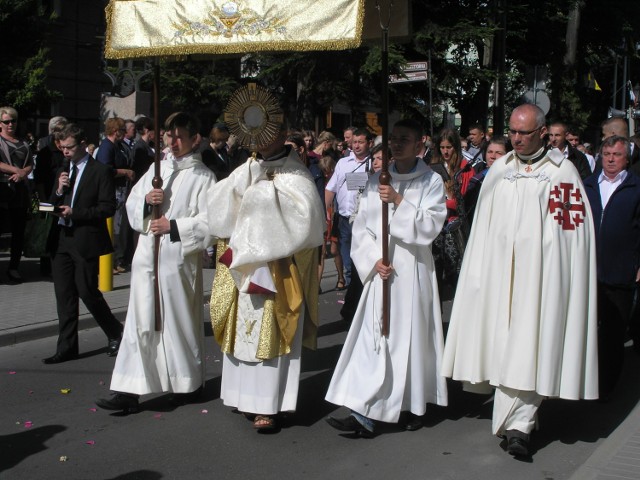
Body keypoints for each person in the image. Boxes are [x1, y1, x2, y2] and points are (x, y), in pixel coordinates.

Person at [441, 103, 598, 458]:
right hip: (499, 277)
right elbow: (483, 226)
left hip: (538, 280)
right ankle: (517, 422)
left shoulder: (562, 173)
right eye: (511, 132)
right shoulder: (500, 171)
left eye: (522, 133)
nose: (515, 139)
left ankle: (519, 428)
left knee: (530, 345)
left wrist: (552, 269)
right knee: (504, 346)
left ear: (542, 132)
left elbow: (571, 234)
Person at [325, 119, 447, 437]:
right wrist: (372, 260)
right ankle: (363, 407)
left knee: (408, 343)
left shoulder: (430, 181)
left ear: (420, 144)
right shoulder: (374, 179)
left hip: (412, 273)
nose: (396, 144)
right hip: (380, 274)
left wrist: (397, 201)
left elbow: (431, 226)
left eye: (404, 139)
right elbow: (362, 225)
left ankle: (408, 403)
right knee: (373, 340)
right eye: (393, 138)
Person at [207, 120, 325, 432]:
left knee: (269, 333)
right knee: (241, 332)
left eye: (267, 132)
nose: (259, 139)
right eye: (254, 132)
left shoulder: (296, 173)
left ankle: (267, 406)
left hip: (275, 267)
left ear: (284, 134)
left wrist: (262, 194)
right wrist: (241, 185)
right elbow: (220, 206)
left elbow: (308, 219)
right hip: (243, 264)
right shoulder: (247, 166)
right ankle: (243, 396)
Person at [95, 112, 216, 413]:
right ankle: (128, 389)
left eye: (179, 136)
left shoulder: (204, 177)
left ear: (194, 139)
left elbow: (212, 222)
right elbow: (132, 204)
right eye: (169, 135)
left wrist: (174, 227)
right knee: (139, 323)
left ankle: (186, 382)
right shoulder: (155, 169)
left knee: (178, 325)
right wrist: (148, 201)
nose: (173, 142)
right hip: (148, 257)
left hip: (177, 262)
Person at [42, 123, 123, 364]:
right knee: (64, 295)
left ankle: (115, 332)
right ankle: (66, 347)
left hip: (85, 239)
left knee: (87, 291)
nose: (65, 152)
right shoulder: (62, 170)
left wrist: (75, 213)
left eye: (69, 147)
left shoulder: (100, 171)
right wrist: (58, 191)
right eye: (62, 147)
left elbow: (107, 207)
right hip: (61, 240)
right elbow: (48, 204)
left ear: (82, 145)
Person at [584, 135, 640, 399]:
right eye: (606, 154)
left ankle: (605, 387)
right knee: (585, 330)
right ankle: (584, 379)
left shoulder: (636, 187)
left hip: (620, 272)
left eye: (616, 155)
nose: (610, 159)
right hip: (588, 272)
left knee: (612, 332)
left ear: (626, 158)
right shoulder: (588, 185)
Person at [430, 128, 475, 299]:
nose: (446, 151)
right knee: (435, 272)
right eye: (442, 147)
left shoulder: (465, 169)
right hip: (435, 226)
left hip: (454, 227)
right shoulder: (433, 166)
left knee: (455, 273)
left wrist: (443, 201)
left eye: (449, 147)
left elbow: (460, 202)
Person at [325, 128, 371, 289]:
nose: (357, 146)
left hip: (365, 220)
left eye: (361, 142)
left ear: (369, 143)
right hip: (344, 218)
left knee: (363, 257)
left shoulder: (374, 163)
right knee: (347, 257)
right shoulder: (343, 163)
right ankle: (352, 287)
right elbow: (331, 188)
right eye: (354, 142)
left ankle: (362, 287)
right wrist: (324, 211)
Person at [96, 117, 135, 274]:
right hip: (112, 190)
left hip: (121, 190)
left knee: (119, 226)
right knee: (113, 226)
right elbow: (105, 170)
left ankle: (116, 259)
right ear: (114, 131)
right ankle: (108, 263)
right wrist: (124, 172)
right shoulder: (106, 147)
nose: (123, 133)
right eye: (121, 130)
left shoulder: (118, 146)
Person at [0, 106, 33, 284]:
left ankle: (14, 267)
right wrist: (14, 169)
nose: (10, 124)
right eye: (6, 121)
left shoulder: (23, 143)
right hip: (2, 191)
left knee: (18, 232)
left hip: (19, 192)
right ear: (0, 124)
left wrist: (23, 173)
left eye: (13, 120)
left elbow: (30, 165)